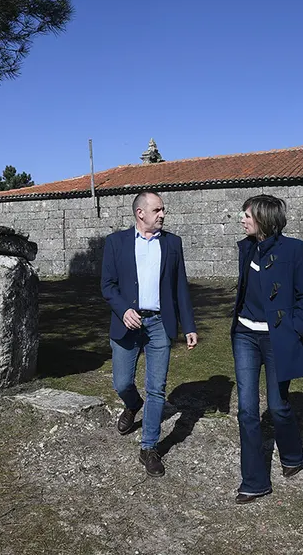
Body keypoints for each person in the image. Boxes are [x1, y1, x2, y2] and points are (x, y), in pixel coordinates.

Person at [101, 190, 198, 477]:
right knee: (121, 383)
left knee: (157, 388)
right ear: (140, 213)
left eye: (163, 209)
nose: (163, 214)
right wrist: (123, 310)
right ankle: (133, 405)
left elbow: (181, 287)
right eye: (157, 210)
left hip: (159, 324)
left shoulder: (172, 244)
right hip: (126, 323)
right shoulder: (116, 242)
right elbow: (107, 285)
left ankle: (149, 447)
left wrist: (189, 326)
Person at [231, 194, 303, 504]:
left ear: (265, 220)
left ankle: (293, 455)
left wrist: (294, 330)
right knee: (246, 409)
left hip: (277, 338)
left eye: (247, 216)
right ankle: (254, 481)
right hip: (244, 335)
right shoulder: (246, 248)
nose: (242, 220)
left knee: (278, 406)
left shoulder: (294, 250)